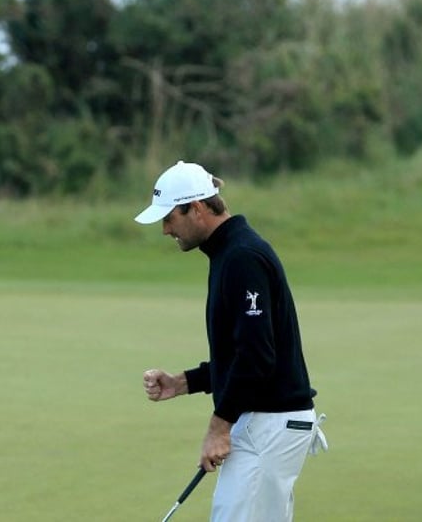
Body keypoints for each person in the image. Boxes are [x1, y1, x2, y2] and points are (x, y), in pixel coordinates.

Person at [135, 161, 326, 522]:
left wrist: (218, 429)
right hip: (267, 422)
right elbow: (242, 352)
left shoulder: (241, 257)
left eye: (169, 218)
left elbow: (256, 356)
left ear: (197, 209)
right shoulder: (230, 253)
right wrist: (183, 382)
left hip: (269, 424)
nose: (164, 229)